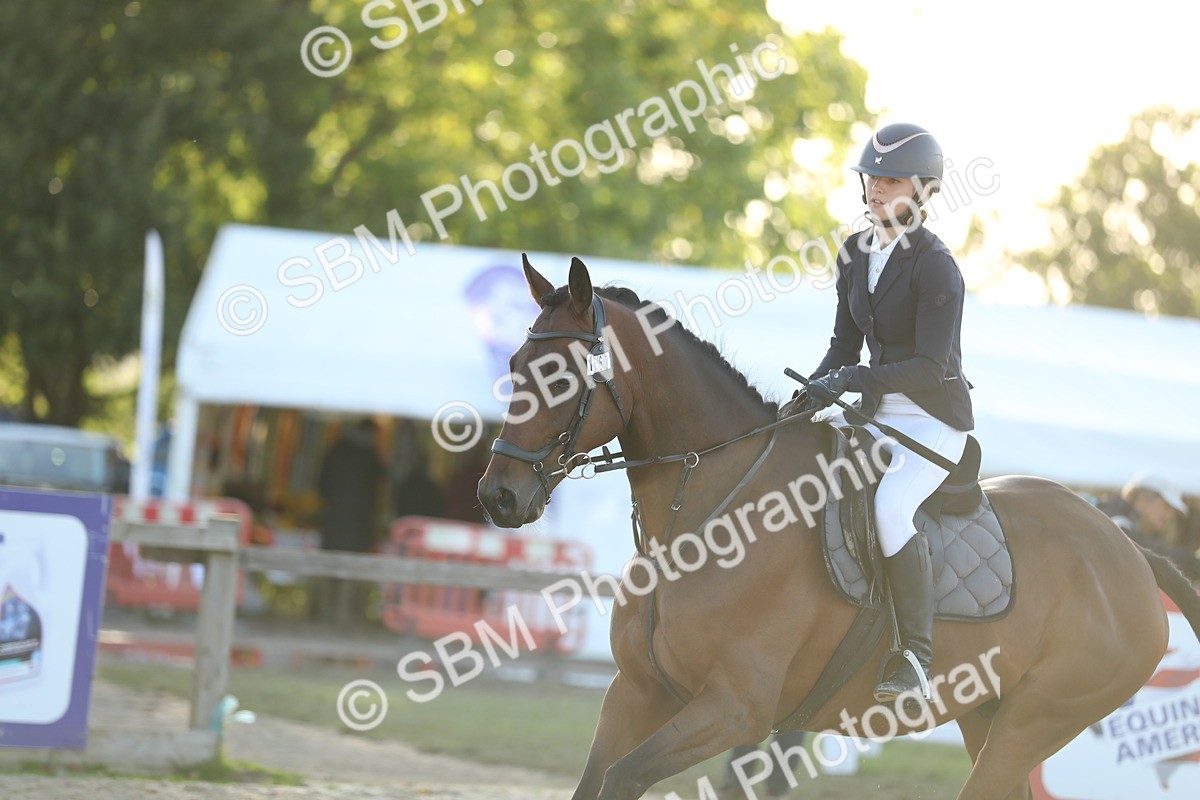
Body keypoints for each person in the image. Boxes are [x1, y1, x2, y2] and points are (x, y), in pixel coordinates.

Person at [781, 123, 974, 706]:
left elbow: (930, 367)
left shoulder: (936, 266)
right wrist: (809, 394)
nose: (876, 188)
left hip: (932, 418)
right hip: (874, 408)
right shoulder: (854, 252)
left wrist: (853, 380)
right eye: (871, 177)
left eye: (891, 180)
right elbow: (843, 346)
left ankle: (914, 656)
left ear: (922, 190)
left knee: (890, 508)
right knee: (790, 459)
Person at [314, 418, 384, 622]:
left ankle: (324, 620)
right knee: (352, 578)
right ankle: (344, 622)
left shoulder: (335, 450)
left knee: (328, 574)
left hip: (333, 523)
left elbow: (322, 486)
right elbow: (377, 494)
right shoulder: (372, 457)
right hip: (359, 526)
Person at [1120, 472, 1199, 579]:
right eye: (1167, 506)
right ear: (1141, 500)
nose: (1171, 515)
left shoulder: (1149, 536)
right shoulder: (1115, 521)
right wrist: (1192, 563)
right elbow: (1142, 550)